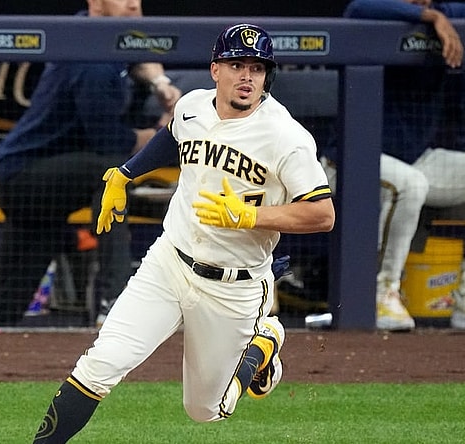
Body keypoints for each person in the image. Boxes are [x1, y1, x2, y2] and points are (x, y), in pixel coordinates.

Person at [32, 23, 334, 443]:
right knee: (101, 362)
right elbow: (173, 136)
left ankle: (263, 343)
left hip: (234, 287)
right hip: (169, 262)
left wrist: (251, 218)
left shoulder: (286, 136)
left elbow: (322, 214)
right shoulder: (192, 105)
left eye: (257, 68)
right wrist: (125, 173)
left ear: (267, 76)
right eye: (236, 65)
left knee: (206, 410)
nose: (247, 76)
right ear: (215, 69)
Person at [0, 0, 181, 326]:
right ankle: (113, 298)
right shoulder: (92, 63)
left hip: (45, 184)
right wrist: (162, 131)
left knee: (6, 305)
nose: (133, 4)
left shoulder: (89, 31)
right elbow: (111, 142)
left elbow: (136, 54)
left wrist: (159, 82)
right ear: (96, 5)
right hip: (27, 177)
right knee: (110, 174)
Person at [343, 0, 465, 330]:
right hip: (354, 157)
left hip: (415, 156)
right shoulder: (381, 10)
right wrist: (431, 17)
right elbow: (358, 8)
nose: (423, 1)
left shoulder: (449, 11)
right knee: (411, 183)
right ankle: (381, 293)